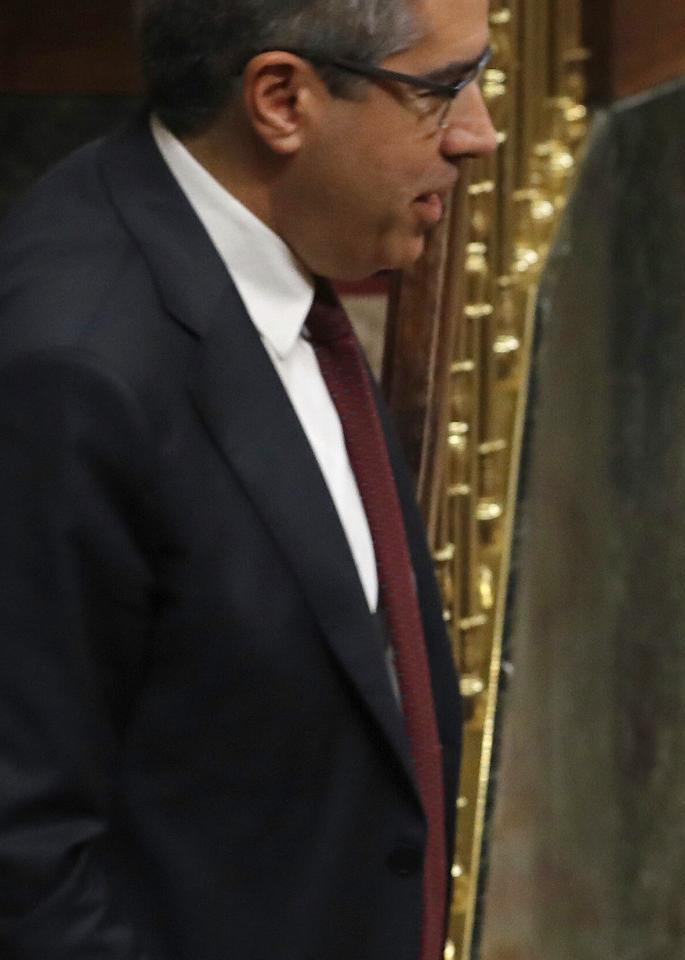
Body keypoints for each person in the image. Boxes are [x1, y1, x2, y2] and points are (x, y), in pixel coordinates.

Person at [0, 0, 498, 956]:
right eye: (443, 93)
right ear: (282, 100)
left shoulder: (259, 255)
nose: (481, 135)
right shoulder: (73, 374)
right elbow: (27, 857)